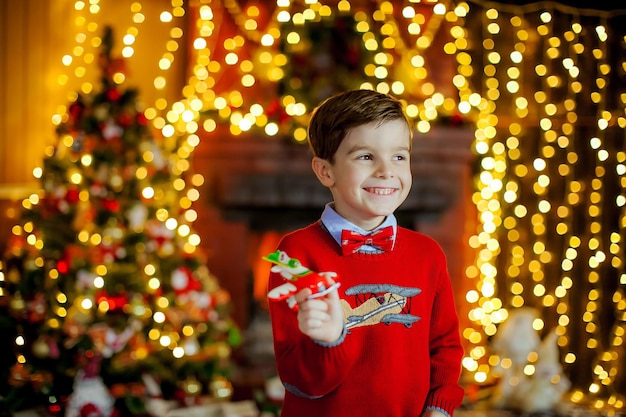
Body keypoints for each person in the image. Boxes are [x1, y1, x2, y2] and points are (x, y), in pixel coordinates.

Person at [267, 89, 464, 417]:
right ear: (325, 171)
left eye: (399, 156)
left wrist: (439, 407)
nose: (387, 171)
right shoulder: (296, 255)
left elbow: (444, 347)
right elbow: (299, 381)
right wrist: (329, 341)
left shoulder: (428, 254)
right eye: (366, 156)